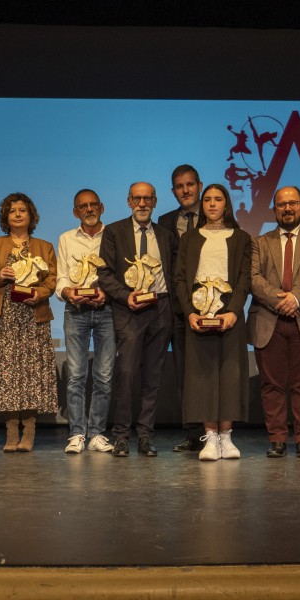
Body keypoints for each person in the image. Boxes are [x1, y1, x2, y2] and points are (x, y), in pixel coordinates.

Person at [247, 186, 300, 459]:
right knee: (271, 385)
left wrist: (296, 299)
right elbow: (252, 277)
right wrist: (281, 301)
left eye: (292, 203)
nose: (287, 208)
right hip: (267, 320)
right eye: (282, 204)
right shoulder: (258, 242)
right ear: (274, 209)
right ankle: (277, 439)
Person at [97, 181, 176, 457]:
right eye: (137, 199)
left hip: (161, 308)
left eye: (147, 199)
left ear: (154, 202)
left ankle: (145, 435)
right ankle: (121, 434)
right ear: (129, 201)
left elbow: (175, 274)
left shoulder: (166, 235)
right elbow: (104, 273)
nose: (142, 204)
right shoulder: (114, 232)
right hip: (129, 310)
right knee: (127, 373)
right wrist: (125, 295)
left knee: (152, 377)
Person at [173, 184, 251, 461]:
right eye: (207, 200)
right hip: (198, 311)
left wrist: (234, 311)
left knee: (230, 373)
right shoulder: (190, 238)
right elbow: (180, 278)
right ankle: (210, 438)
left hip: (229, 310)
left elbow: (244, 278)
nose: (212, 204)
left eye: (218, 199)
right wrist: (189, 312)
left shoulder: (240, 237)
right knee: (202, 375)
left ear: (226, 204)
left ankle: (227, 437)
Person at [0, 193, 58, 451]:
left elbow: (52, 279)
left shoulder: (44, 247)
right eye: (13, 211)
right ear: (6, 217)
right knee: (7, 376)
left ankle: (29, 432)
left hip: (33, 315)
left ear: (31, 216)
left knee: (31, 374)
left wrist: (39, 293)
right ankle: (11, 432)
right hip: (6, 316)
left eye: (23, 210)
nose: (18, 214)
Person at [56, 189, 115, 454]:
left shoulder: (114, 235)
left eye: (93, 205)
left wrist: (108, 292)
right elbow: (61, 278)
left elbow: (121, 275)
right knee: (76, 375)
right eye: (83, 206)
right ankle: (77, 433)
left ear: (101, 207)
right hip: (76, 310)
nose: (89, 209)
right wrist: (68, 291)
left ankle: (97, 434)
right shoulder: (66, 239)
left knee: (103, 375)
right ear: (75, 211)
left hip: (107, 310)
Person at [157, 164, 205, 453]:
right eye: (179, 186)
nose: (185, 190)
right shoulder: (164, 221)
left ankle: (214, 431)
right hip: (176, 310)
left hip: (211, 310)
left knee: (209, 371)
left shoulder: (218, 216)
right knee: (184, 373)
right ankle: (192, 433)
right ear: (173, 191)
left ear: (199, 185)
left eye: (190, 184)